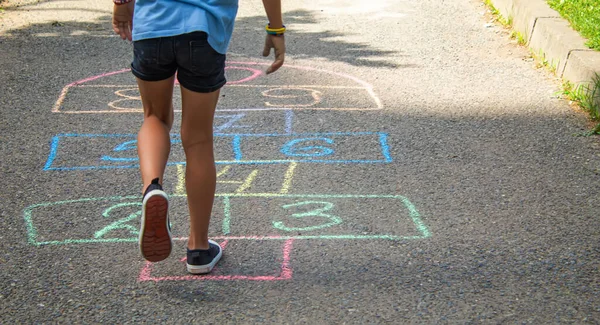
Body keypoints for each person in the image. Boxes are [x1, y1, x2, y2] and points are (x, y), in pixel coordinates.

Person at [111, 0, 285, 274]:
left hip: (153, 25)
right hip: (205, 31)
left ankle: (152, 187)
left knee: (154, 116)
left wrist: (121, 3)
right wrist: (276, 28)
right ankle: (199, 250)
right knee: (198, 138)